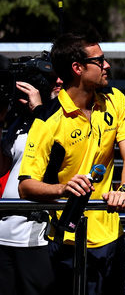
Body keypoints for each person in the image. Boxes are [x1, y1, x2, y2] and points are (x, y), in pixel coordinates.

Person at [19, 32, 125, 295]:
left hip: (111, 237)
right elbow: (26, 186)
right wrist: (63, 189)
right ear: (77, 68)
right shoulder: (47, 121)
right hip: (67, 241)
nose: (107, 65)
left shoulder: (114, 99)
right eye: (100, 60)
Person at [0, 62, 62, 295]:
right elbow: (4, 167)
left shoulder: (57, 117)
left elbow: (60, 150)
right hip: (4, 229)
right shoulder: (18, 122)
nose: (57, 82)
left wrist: (40, 109)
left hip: (34, 234)